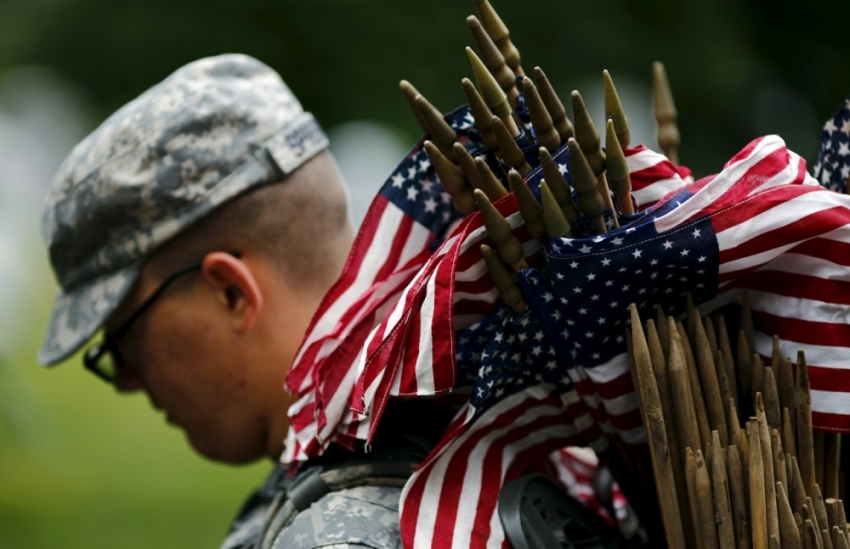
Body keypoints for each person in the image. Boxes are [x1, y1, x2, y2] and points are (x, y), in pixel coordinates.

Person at [38, 53, 450, 549]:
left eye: (124, 336)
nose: (127, 380)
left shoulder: (345, 531)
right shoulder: (458, 413)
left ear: (231, 293)